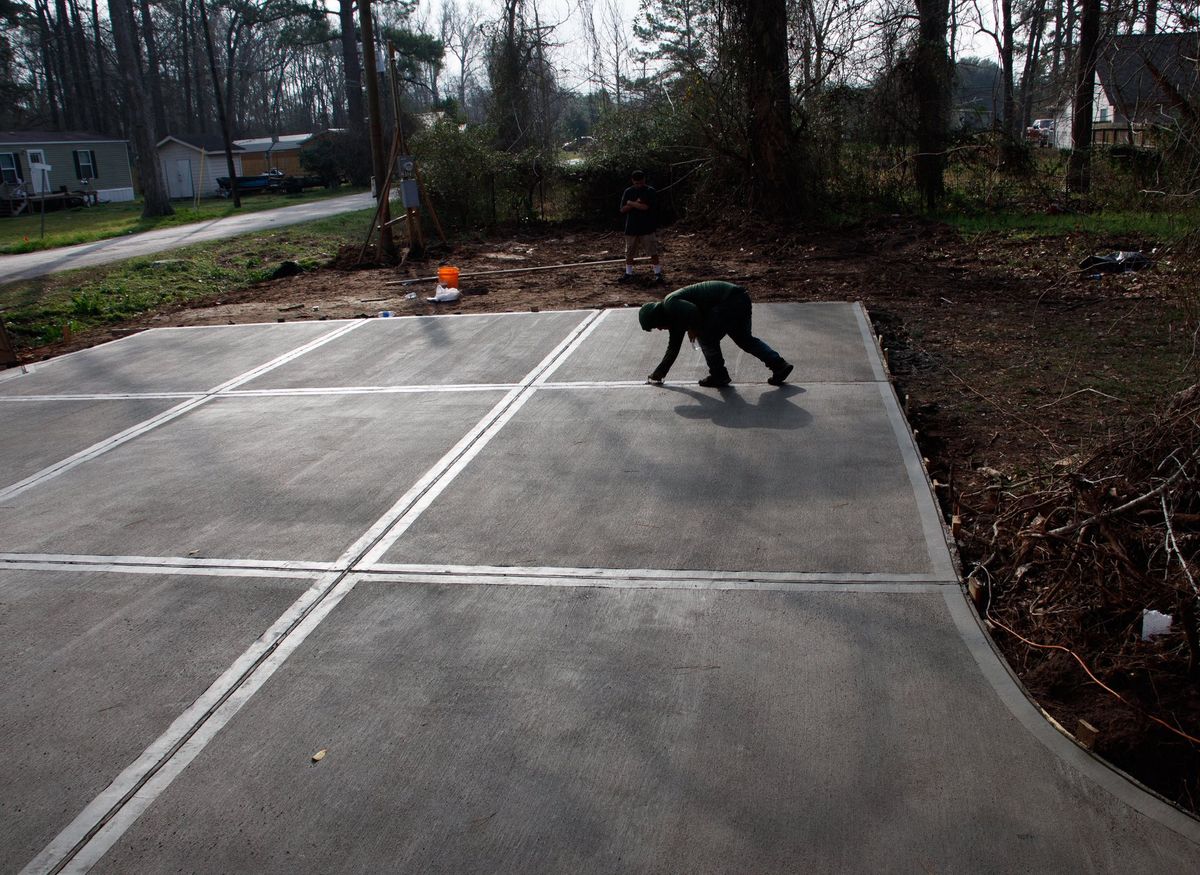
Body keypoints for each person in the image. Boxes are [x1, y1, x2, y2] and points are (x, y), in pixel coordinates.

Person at [638, 281, 793, 388]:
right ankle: (779, 365)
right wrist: (659, 373)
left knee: (705, 337)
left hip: (728, 301)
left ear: (657, 317)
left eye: (656, 325)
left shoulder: (670, 303)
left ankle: (719, 375)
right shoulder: (674, 320)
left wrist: (693, 329)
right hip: (740, 298)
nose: (659, 329)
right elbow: (673, 348)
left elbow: (693, 311)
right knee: (745, 339)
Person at [618, 170, 663, 285]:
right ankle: (628, 273)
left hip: (647, 228)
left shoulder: (650, 191)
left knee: (652, 251)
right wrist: (635, 203)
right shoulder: (628, 191)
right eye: (636, 183)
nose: (639, 185)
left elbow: (645, 207)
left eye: (641, 182)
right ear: (633, 181)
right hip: (631, 228)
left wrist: (631, 203)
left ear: (644, 180)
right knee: (629, 252)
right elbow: (622, 209)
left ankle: (658, 273)